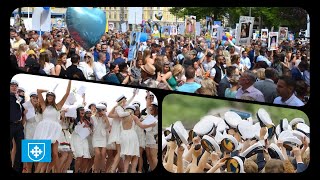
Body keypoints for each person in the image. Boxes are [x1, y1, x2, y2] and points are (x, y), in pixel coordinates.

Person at [33, 80, 71, 173]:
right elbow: (38, 91)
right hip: (44, 131)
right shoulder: (43, 105)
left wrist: (70, 81)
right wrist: (47, 90)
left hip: (54, 131)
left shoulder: (58, 106)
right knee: (45, 153)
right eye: (48, 96)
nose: (49, 97)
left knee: (55, 154)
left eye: (51, 96)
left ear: (54, 98)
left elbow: (67, 94)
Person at [10, 80, 24, 173]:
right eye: (12, 86)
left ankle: (16, 168)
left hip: (18, 126)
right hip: (10, 125)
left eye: (16, 86)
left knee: (21, 148)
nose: (14, 87)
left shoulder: (20, 98)